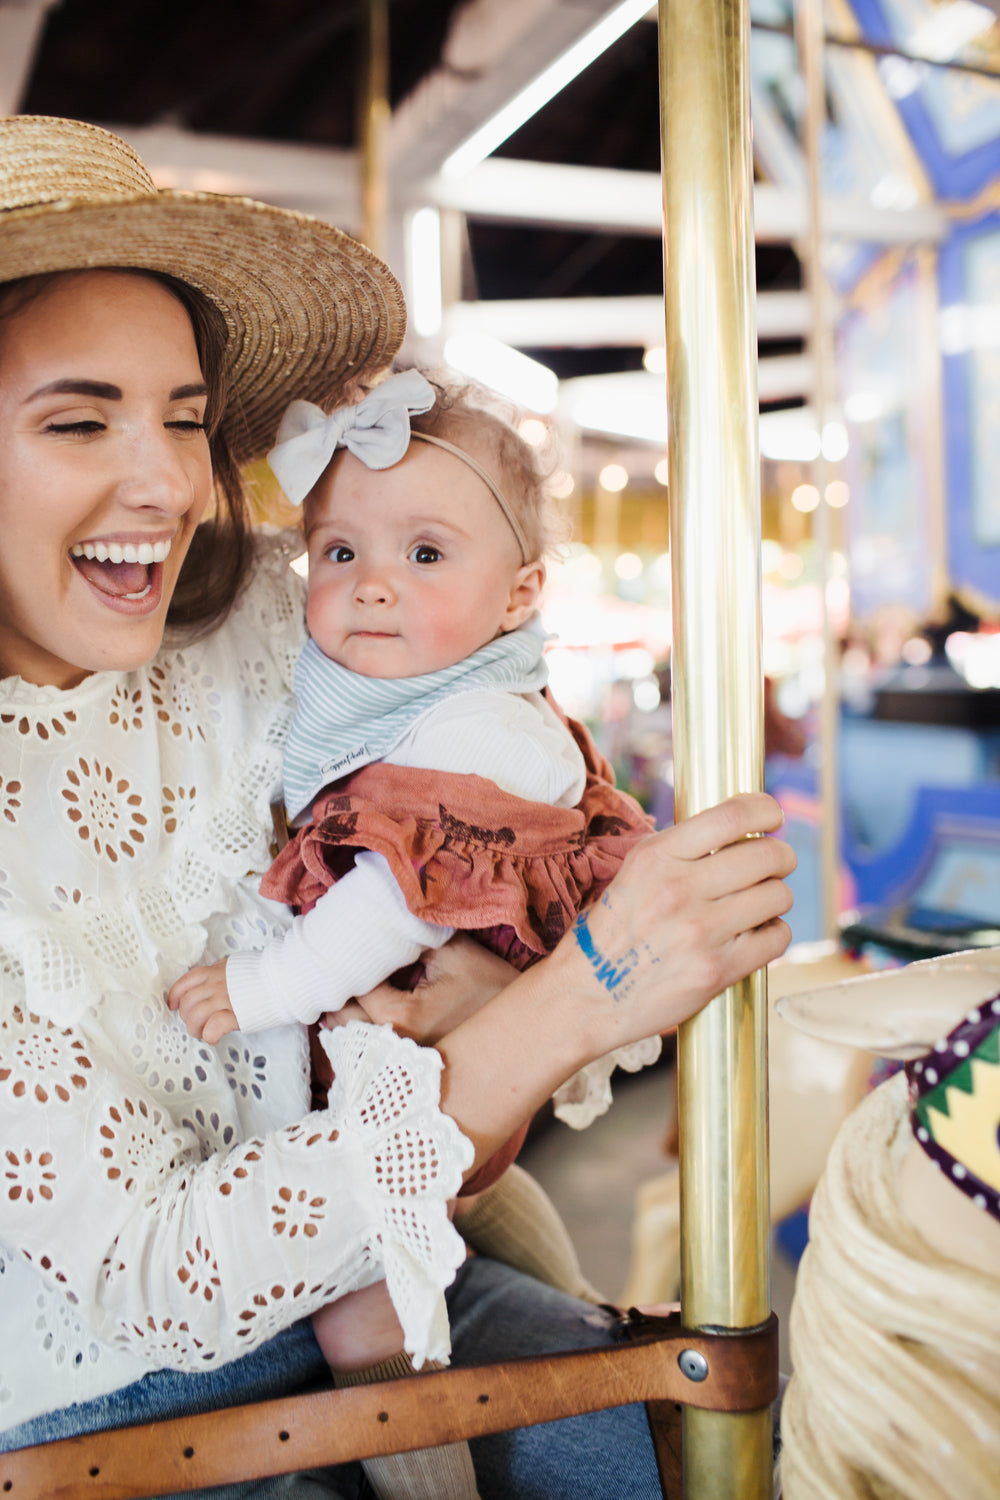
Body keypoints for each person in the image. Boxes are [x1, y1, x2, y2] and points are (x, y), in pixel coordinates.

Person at [0, 115, 796, 1500]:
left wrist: (487, 978)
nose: (173, 484)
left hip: (410, 1261)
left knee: (722, 1452)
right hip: (119, 1410)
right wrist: (576, 999)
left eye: (188, 422)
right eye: (80, 420)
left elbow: (502, 765)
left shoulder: (261, 607)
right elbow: (150, 1280)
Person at [166, 367, 660, 1499]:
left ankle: (428, 1488)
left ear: (520, 593)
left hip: (423, 1026)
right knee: (459, 1217)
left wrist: (263, 986)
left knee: (362, 1314)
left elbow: (394, 898)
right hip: (408, 1054)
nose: (373, 587)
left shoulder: (483, 731)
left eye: (425, 555)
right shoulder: (396, 697)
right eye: (340, 554)